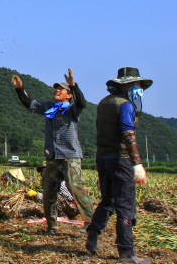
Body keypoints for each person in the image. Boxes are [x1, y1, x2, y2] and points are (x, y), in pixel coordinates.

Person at [11, 69, 93, 234]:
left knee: (74, 187)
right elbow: (29, 104)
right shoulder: (48, 107)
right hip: (52, 156)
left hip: (70, 155)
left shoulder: (72, 110)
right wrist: (20, 89)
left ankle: (90, 223)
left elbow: (82, 103)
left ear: (68, 95)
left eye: (61, 89)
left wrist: (73, 86)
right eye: (56, 89)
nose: (57, 90)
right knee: (49, 190)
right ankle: (51, 226)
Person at [85, 67, 152, 264]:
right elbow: (127, 132)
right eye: (137, 85)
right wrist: (137, 163)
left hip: (103, 159)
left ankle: (92, 235)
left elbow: (100, 130)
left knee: (107, 201)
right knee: (125, 205)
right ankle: (127, 252)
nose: (139, 89)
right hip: (121, 160)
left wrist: (100, 159)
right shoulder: (125, 106)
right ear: (127, 85)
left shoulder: (103, 103)